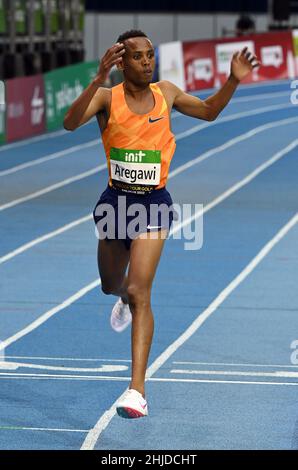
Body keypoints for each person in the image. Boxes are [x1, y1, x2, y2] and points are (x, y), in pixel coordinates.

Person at [63, 30, 260, 419]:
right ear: (121, 63)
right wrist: (97, 79)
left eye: (150, 55)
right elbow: (70, 124)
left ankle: (137, 390)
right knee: (111, 285)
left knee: (140, 291)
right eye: (138, 57)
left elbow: (208, 111)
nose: (148, 62)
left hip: (153, 204)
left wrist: (233, 80)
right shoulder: (106, 98)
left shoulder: (166, 93)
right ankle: (121, 297)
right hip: (114, 203)